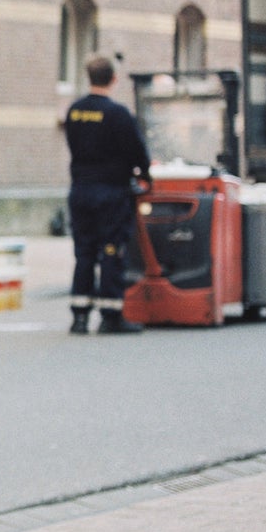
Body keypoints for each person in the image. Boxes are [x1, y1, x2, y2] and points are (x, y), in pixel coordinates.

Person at [62, 54, 150, 335]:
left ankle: (79, 317)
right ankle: (111, 316)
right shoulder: (117, 114)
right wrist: (145, 175)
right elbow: (136, 151)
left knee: (84, 252)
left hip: (80, 191)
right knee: (112, 251)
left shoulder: (74, 111)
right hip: (111, 193)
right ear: (113, 79)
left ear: (89, 77)